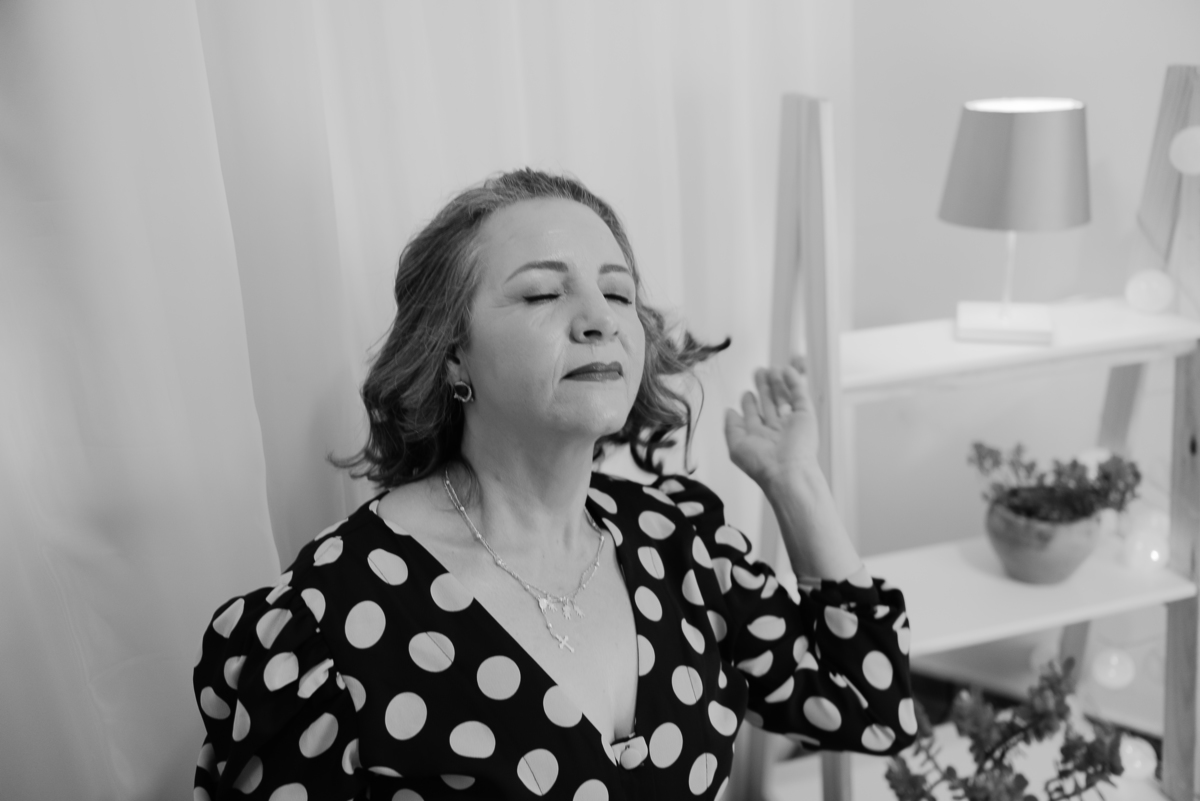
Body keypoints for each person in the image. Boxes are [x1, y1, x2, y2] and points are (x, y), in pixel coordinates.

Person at [192, 169, 916, 801]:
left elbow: (871, 706)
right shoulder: (326, 623)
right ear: (451, 354)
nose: (600, 320)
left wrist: (795, 481)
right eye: (542, 293)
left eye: (619, 293)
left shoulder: (680, 539)